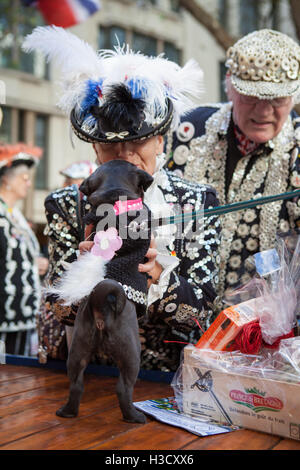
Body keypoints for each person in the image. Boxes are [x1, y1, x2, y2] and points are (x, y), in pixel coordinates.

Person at [23, 26, 220, 372]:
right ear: (96, 149)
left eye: (137, 143)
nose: (125, 156)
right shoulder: (67, 204)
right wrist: (80, 279)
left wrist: (158, 275)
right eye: (111, 147)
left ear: (160, 141)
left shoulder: (197, 202)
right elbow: (57, 307)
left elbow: (204, 314)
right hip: (94, 375)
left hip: (170, 380)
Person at [166, 29, 300, 307]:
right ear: (229, 85)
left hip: (269, 334)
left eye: (277, 99)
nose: (263, 112)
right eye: (251, 97)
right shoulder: (185, 130)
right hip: (179, 325)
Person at [0, 142, 44, 355]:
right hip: (4, 315)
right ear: (6, 179)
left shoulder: (13, 214)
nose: (28, 184)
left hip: (20, 314)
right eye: (24, 178)